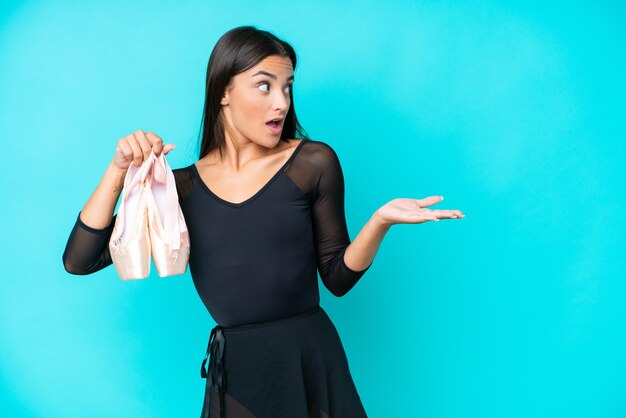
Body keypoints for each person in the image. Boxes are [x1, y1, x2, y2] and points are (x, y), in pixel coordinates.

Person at [62, 25, 464, 418]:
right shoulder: (178, 188)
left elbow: (338, 279)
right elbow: (80, 260)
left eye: (288, 86)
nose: (281, 102)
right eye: (265, 85)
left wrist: (379, 221)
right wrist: (118, 172)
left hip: (311, 364)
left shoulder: (312, 163)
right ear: (224, 91)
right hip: (238, 377)